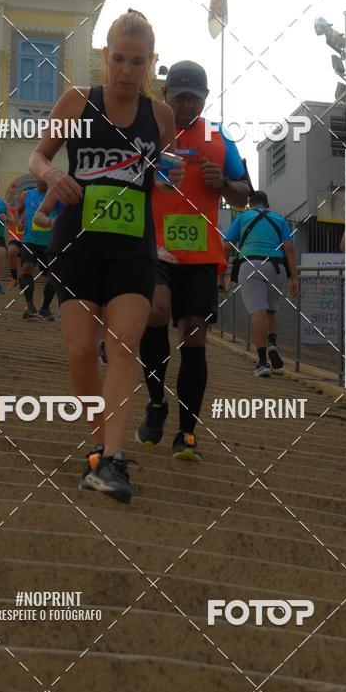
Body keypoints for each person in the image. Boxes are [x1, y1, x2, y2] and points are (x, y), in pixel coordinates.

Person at [30, 9, 182, 504]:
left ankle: (112, 458)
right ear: (105, 56)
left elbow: (163, 173)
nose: (126, 70)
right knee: (79, 350)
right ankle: (99, 445)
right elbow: (39, 156)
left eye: (137, 62)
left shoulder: (160, 117)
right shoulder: (78, 102)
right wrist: (53, 178)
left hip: (132, 244)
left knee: (123, 345)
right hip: (77, 239)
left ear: (150, 63)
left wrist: (168, 177)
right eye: (118, 58)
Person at [136, 60, 249, 460]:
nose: (187, 107)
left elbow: (244, 194)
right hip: (154, 245)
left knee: (195, 334)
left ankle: (186, 432)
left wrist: (225, 183)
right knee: (155, 311)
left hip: (201, 253)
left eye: (195, 99)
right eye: (181, 97)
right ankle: (155, 402)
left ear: (204, 100)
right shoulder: (147, 130)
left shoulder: (219, 139)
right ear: (166, 95)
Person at [224, 190, 298, 377]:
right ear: (267, 205)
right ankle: (272, 343)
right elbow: (289, 248)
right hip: (277, 267)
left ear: (250, 204)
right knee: (272, 309)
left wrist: (221, 273)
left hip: (251, 264)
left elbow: (227, 245)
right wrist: (294, 278)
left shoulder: (243, 216)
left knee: (258, 311)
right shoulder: (279, 219)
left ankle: (263, 362)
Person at [19, 179, 59, 320]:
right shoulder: (26, 195)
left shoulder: (55, 196)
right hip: (30, 240)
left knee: (52, 276)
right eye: (40, 178)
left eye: (45, 179)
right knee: (26, 268)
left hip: (50, 242)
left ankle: (45, 308)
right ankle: (29, 306)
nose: (43, 181)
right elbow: (20, 210)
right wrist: (20, 221)